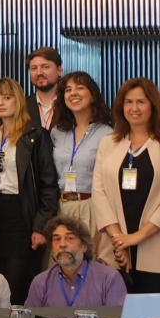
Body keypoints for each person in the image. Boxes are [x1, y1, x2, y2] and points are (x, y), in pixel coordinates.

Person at [91, 78, 160, 293]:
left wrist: (137, 237)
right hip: (115, 250)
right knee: (115, 317)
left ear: (153, 105)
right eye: (128, 102)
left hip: (157, 248)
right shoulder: (108, 142)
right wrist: (119, 240)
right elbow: (99, 191)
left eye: (141, 102)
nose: (134, 108)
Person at [0, 77, 58, 301]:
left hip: (24, 216)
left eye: (7, 98)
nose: (1, 103)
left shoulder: (36, 135)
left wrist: (39, 226)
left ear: (18, 101)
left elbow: (49, 185)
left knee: (15, 288)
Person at [49, 72, 114, 239]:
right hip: (61, 207)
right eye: (68, 90)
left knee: (91, 261)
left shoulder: (108, 134)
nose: (73, 93)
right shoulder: (57, 132)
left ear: (92, 96)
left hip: (91, 207)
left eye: (79, 88)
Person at [24, 215, 128, 308]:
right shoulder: (41, 282)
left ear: (84, 246)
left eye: (70, 238)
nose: (62, 244)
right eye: (56, 239)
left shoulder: (109, 278)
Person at [23, 47, 63, 130]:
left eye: (45, 67)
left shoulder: (70, 104)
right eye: (34, 68)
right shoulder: (22, 107)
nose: (39, 73)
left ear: (59, 70)